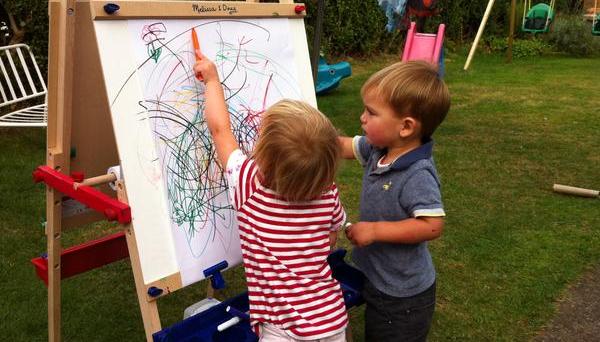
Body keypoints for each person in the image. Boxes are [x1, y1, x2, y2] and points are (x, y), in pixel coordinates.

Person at [194, 54, 348, 341]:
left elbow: (220, 130)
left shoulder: (248, 183)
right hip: (330, 318)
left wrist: (212, 81)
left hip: (283, 328)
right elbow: (330, 238)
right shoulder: (327, 190)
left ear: (263, 152)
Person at [338, 60, 450, 341]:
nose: (362, 118)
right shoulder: (379, 148)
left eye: (371, 112)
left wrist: (375, 230)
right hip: (377, 277)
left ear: (406, 127)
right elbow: (342, 145)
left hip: (403, 297)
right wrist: (304, 138)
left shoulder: (416, 173)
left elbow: (432, 226)